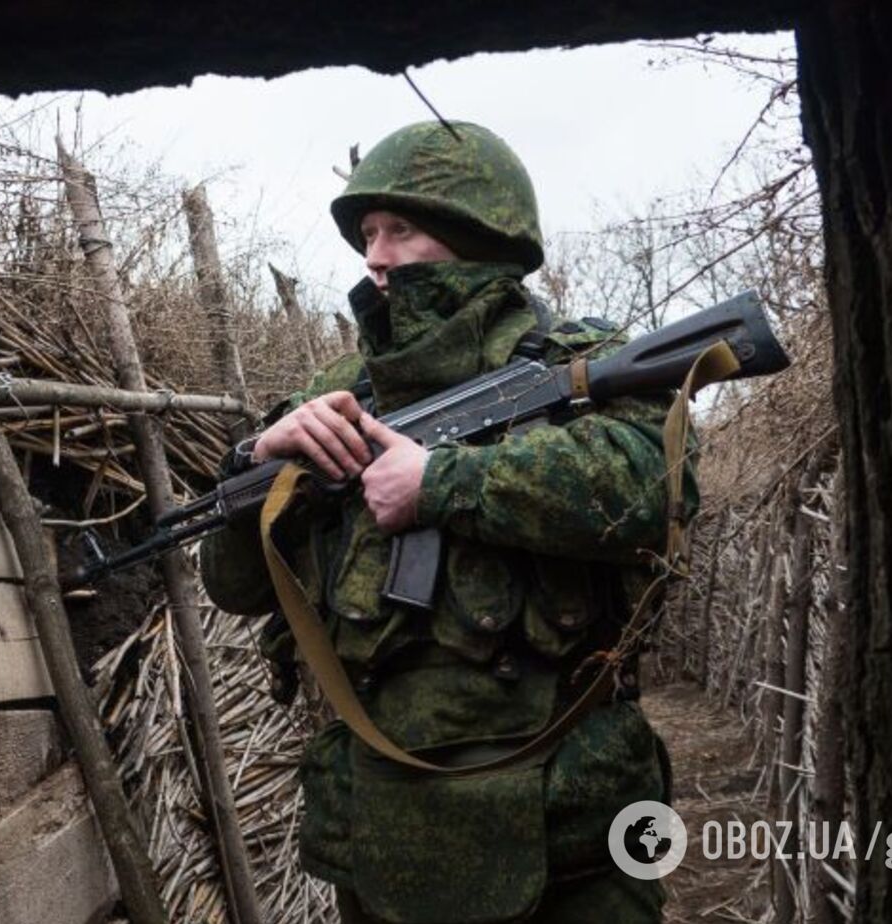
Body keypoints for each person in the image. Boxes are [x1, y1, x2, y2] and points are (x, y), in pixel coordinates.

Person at [198, 121, 691, 924]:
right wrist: (255, 465)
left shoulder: (578, 360)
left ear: (479, 236)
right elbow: (236, 590)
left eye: (403, 229)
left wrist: (443, 484)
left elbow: (648, 487)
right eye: (368, 234)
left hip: (569, 815)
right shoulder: (335, 396)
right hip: (380, 823)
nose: (377, 257)